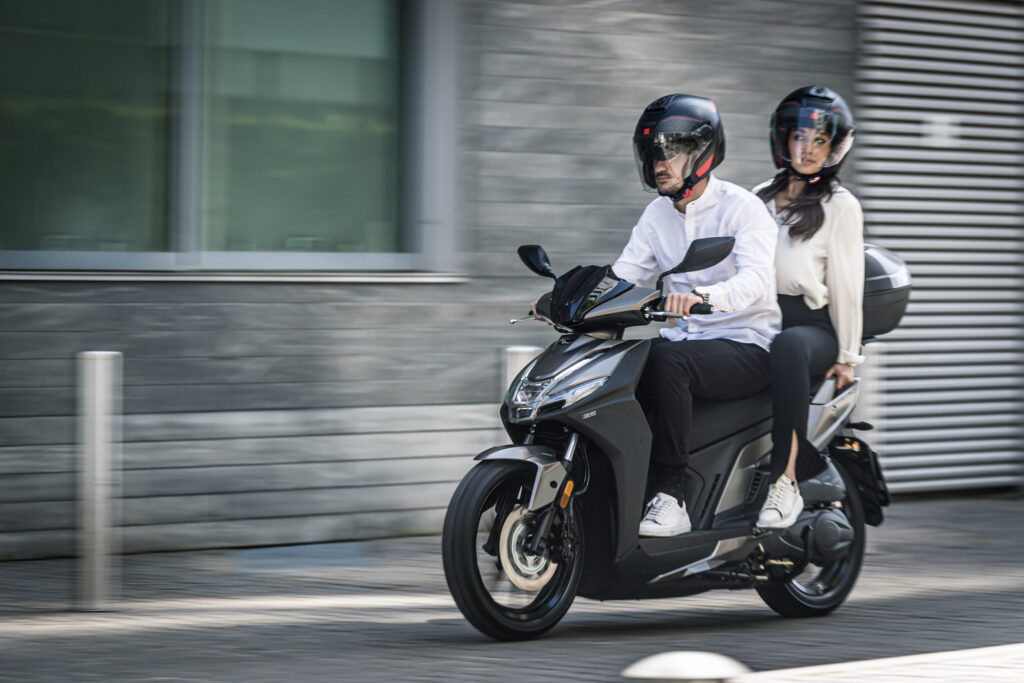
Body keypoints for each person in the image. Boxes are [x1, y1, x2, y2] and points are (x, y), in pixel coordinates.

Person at [611, 94, 781, 537]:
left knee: (667, 362)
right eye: (652, 155)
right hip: (688, 343)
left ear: (703, 153)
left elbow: (756, 281)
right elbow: (623, 274)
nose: (659, 164)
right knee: (620, 365)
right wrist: (567, 295)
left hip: (748, 343)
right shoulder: (655, 216)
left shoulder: (743, 209)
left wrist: (704, 296)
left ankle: (672, 496)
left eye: (671, 152)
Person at [753, 85, 864, 529]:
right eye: (800, 138)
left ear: (834, 147)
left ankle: (786, 481)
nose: (808, 149)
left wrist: (848, 357)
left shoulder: (840, 205)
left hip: (810, 326)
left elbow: (847, 283)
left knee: (789, 348)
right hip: (759, 317)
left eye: (819, 140)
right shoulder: (758, 195)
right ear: (784, 140)